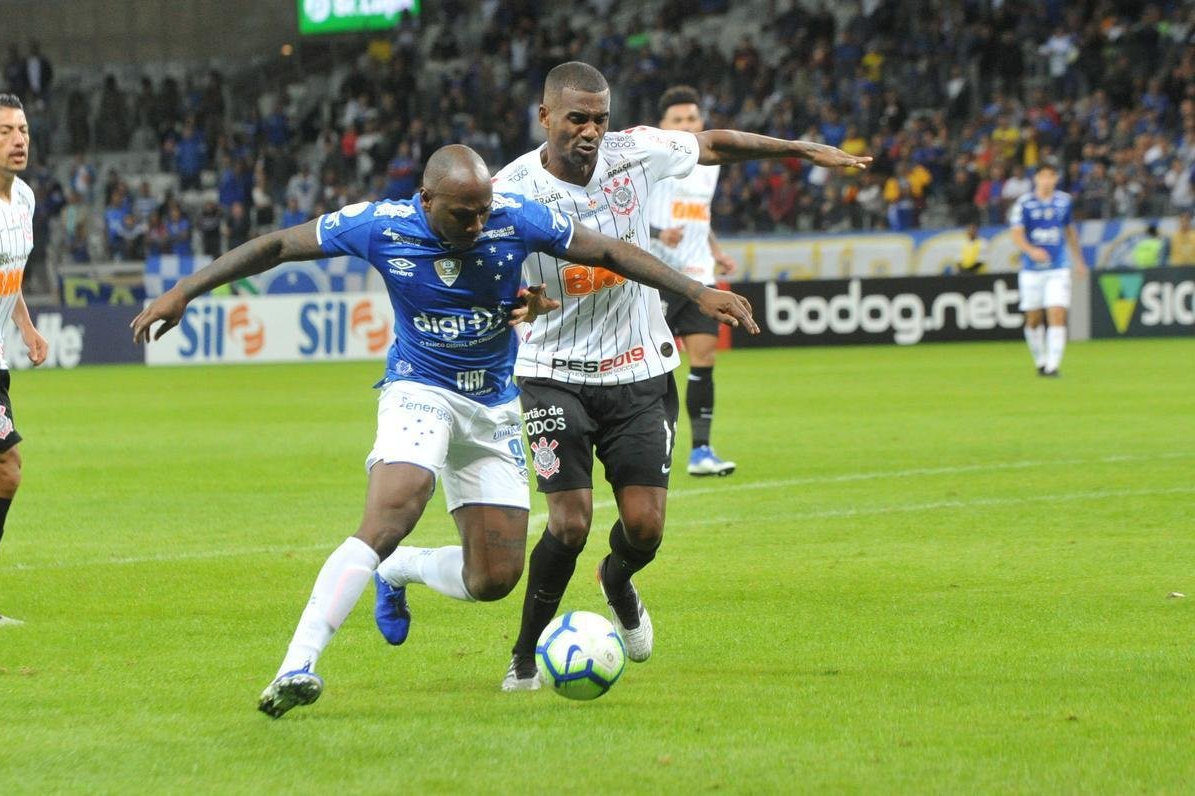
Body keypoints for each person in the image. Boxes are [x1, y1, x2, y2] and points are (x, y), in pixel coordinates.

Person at [130, 144, 756, 718]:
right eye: (463, 215)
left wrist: (697, 291)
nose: (478, 225)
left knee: (494, 581)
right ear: (426, 201)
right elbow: (277, 247)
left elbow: (611, 251)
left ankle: (401, 569)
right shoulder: (379, 224)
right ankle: (297, 665)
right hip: (419, 391)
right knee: (391, 511)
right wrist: (186, 290)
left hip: (492, 408)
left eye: (484, 212)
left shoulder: (516, 215)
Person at [448, 62, 869, 691]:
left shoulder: (636, 152)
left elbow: (714, 144)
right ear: (545, 117)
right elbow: (482, 274)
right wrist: (519, 302)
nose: (590, 131)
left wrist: (797, 150)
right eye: (576, 119)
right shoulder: (510, 191)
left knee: (644, 529)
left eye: (599, 118)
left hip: (639, 367)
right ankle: (524, 655)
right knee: (569, 522)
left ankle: (616, 580)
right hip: (550, 372)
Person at [645, 85, 739, 477]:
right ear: (662, 126)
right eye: (678, 120)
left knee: (704, 358)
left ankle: (701, 451)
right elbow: (622, 212)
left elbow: (700, 214)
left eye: (692, 118)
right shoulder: (649, 160)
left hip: (700, 277)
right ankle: (646, 450)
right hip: (656, 277)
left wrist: (715, 249)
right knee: (649, 367)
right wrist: (656, 232)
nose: (687, 125)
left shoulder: (711, 163)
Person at [0, 94, 49, 626]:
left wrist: (25, 326)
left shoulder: (26, 199)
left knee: (2, 473)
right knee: (6, 468)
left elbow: (8, 271)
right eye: (6, 131)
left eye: (24, 130)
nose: (18, 139)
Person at [1008, 161, 1087, 377]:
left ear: (1055, 178)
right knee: (1033, 319)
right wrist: (1031, 250)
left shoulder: (1064, 202)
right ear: (1036, 179)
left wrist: (1079, 260)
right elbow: (1016, 234)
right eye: (1042, 176)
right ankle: (1041, 360)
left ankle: (1053, 366)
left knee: (1057, 312)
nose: (1046, 180)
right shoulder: (1023, 204)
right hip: (1032, 270)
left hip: (1058, 267)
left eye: (1051, 176)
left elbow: (1070, 232)